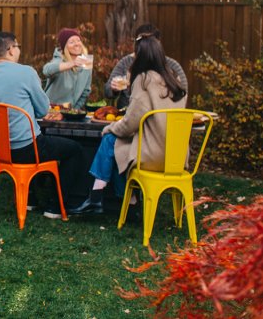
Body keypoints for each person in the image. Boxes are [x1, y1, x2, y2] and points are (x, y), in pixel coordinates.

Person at [70, 31, 188, 215]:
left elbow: (130, 123)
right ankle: (128, 201)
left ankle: (100, 197)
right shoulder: (175, 80)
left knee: (111, 139)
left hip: (153, 155)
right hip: (176, 155)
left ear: (141, 56)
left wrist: (110, 127)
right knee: (119, 145)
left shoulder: (144, 80)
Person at [0, 32, 84, 218]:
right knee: (74, 150)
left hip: (0, 152)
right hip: (28, 150)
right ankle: (56, 207)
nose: (18, 50)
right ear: (10, 50)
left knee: (33, 138)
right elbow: (42, 110)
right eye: (17, 46)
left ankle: (31, 199)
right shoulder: (26, 72)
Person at [104, 23, 187, 109]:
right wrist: (113, 89)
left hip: (159, 116)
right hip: (125, 114)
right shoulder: (125, 63)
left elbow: (183, 96)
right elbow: (107, 91)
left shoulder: (173, 66)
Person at [42, 27, 93, 110]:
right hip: (51, 111)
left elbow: (86, 91)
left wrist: (74, 110)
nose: (76, 44)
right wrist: (72, 63)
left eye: (78, 40)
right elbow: (47, 70)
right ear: (65, 47)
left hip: (70, 112)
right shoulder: (59, 60)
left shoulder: (86, 62)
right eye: (71, 42)